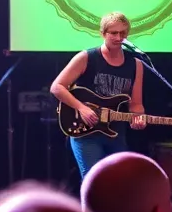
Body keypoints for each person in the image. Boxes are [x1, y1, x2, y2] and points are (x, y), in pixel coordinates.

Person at [50, 11, 147, 181]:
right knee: (93, 181)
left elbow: (136, 104)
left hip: (116, 132)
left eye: (123, 33)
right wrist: (81, 108)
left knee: (121, 181)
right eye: (114, 33)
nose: (118, 37)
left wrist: (138, 118)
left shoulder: (136, 64)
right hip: (85, 132)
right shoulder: (87, 57)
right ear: (103, 34)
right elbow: (57, 87)